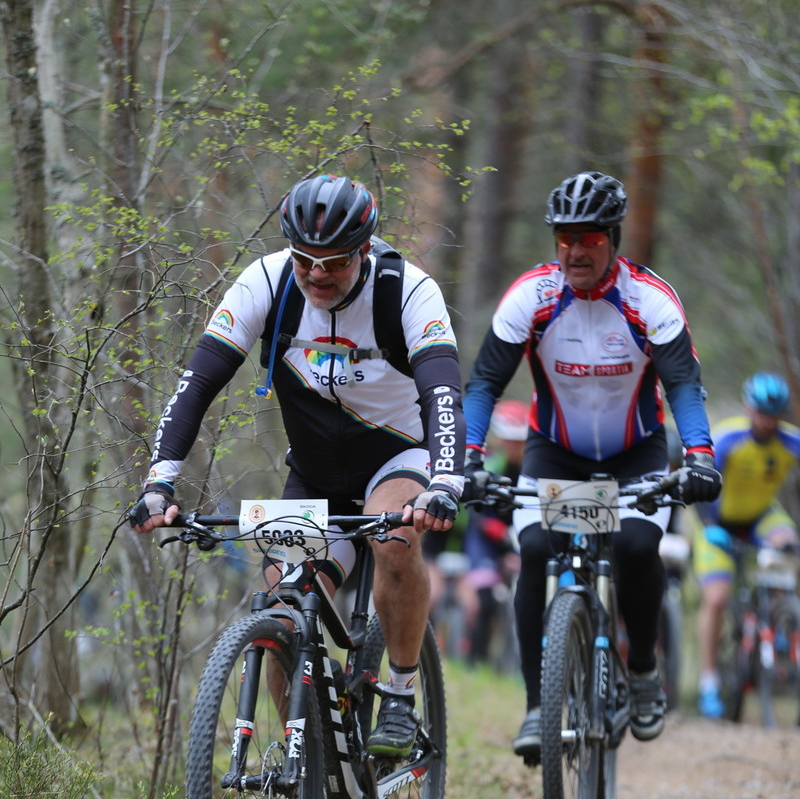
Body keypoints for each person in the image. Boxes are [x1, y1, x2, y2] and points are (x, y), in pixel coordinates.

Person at [130, 173, 465, 758]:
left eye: (333, 262)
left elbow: (443, 392)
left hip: (399, 459)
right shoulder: (266, 281)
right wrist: (160, 481)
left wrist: (444, 481)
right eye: (304, 258)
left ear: (363, 250)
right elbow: (197, 382)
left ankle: (401, 692)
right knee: (282, 615)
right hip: (315, 474)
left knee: (395, 541)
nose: (315, 274)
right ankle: (304, 766)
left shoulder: (407, 291)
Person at [462, 170, 721, 759]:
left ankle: (646, 669)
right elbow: (482, 385)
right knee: (532, 551)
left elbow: (683, 386)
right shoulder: (531, 297)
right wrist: (468, 459)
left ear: (613, 238)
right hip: (555, 451)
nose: (576, 250)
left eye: (590, 239)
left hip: (637, 454)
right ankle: (536, 708)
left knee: (634, 548)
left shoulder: (649, 300)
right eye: (564, 238)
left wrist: (700, 457)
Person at [694, 372, 800, 718]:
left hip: (759, 519)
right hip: (718, 522)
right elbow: (698, 484)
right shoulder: (728, 438)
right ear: (748, 408)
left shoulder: (789, 443)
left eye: (775, 415)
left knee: (788, 542)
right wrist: (710, 526)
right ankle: (709, 681)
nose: (768, 422)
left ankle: (781, 616)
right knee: (717, 598)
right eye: (762, 414)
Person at [463, 398, 527, 664]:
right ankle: (476, 659)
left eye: (519, 441)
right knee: (485, 600)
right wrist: (498, 533)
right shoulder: (489, 466)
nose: (515, 447)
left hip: (518, 540)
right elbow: (477, 516)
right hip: (486, 542)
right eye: (509, 440)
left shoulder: (531, 468)